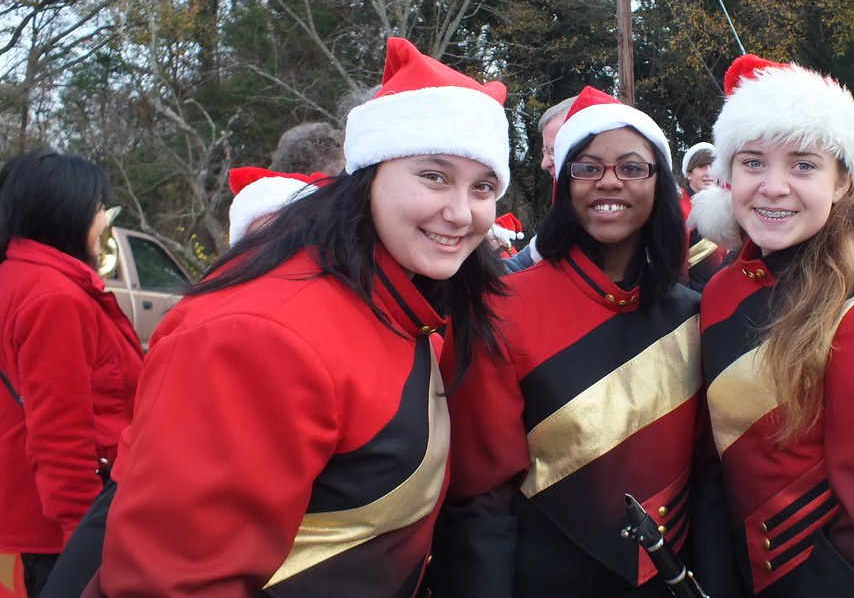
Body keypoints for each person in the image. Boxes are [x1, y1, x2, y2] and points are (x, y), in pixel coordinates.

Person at [48, 36, 511, 598]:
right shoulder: (267, 331)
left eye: (483, 187)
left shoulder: (405, 302)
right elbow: (176, 581)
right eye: (434, 176)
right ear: (368, 173)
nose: (461, 212)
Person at [432, 86, 712, 597]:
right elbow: (479, 500)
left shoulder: (692, 313)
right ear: (564, 183)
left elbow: (706, 477)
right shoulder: (501, 307)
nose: (610, 181)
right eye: (588, 167)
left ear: (660, 183)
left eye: (632, 167)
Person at [690, 54, 854, 597]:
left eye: (803, 165)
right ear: (728, 176)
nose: (773, 186)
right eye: (753, 162)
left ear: (842, 183)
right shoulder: (719, 290)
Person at [0, 150, 143, 598]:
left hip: (26, 514)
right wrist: (85, 543)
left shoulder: (17, 278)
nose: (104, 221)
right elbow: (60, 435)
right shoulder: (54, 296)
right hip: (56, 530)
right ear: (67, 212)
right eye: (99, 208)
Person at [504, 95, 578, 273]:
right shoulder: (562, 221)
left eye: (553, 150)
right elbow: (517, 267)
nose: (544, 164)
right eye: (545, 152)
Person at [678, 141, 727, 292]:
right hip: (692, 295)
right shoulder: (678, 208)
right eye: (702, 167)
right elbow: (677, 266)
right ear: (688, 174)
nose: (708, 172)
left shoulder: (727, 204)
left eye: (712, 166)